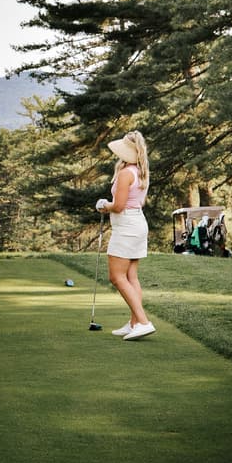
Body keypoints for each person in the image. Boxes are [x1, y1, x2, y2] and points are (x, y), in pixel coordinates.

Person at [95, 131, 154, 340]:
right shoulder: (140, 171)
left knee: (116, 276)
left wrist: (104, 205)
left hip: (127, 226)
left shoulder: (126, 173)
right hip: (137, 224)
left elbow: (119, 206)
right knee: (131, 276)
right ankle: (134, 323)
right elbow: (136, 202)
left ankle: (144, 322)